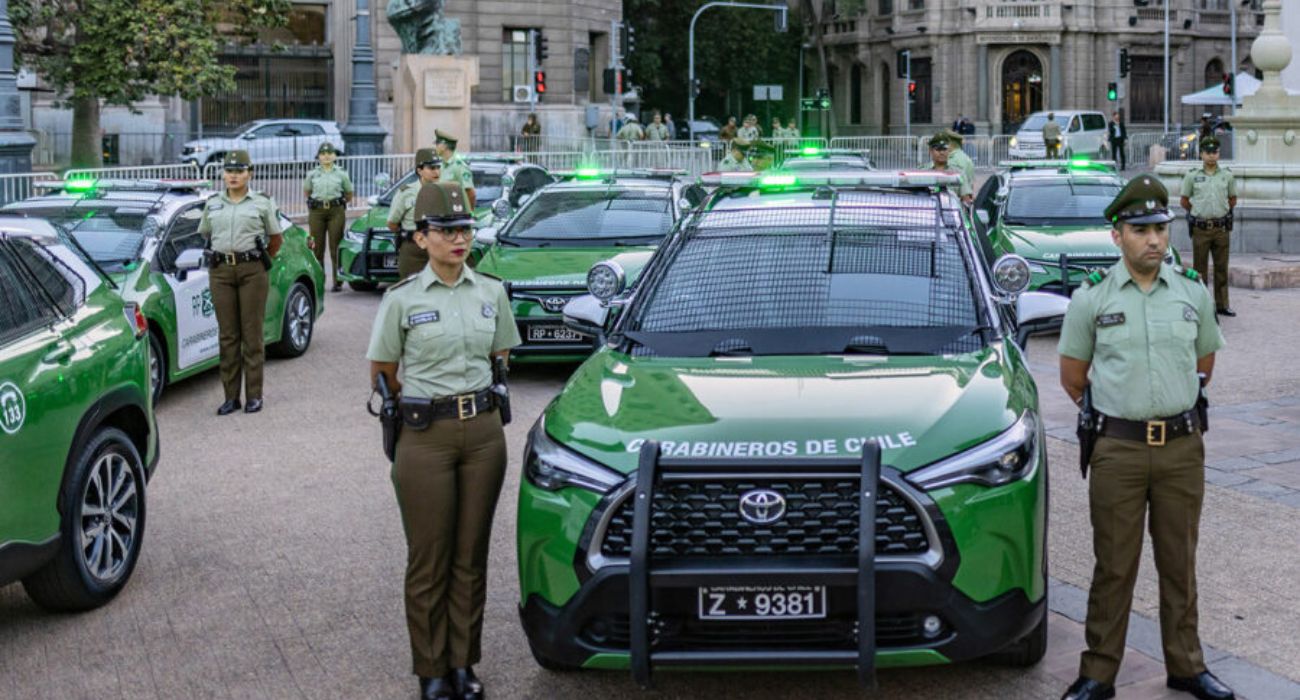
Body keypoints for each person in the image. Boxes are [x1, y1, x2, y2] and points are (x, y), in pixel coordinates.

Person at [1057, 174, 1233, 700]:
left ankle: (1186, 664)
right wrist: (1123, 413)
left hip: (1182, 448)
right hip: (1119, 450)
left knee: (1179, 561)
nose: (1154, 239)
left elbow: (1203, 363)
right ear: (1118, 235)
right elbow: (1073, 377)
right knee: (1114, 564)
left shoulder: (1192, 292)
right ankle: (1098, 673)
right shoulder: (1092, 298)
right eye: (1141, 229)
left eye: (1160, 227)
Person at [367, 181, 522, 700]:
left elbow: (501, 358)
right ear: (421, 236)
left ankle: (462, 662)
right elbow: (384, 371)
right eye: (446, 230)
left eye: (465, 229)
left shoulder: (491, 292)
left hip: (482, 434)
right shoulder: (402, 300)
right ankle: (431, 669)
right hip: (425, 435)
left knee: (470, 553)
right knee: (429, 556)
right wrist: (416, 407)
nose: (459, 239)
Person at [199, 150, 282, 416]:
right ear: (223, 174)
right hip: (221, 272)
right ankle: (231, 397)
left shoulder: (261, 203)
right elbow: (206, 234)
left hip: (252, 271)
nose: (233, 176)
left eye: (239, 171)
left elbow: (275, 239)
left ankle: (254, 396)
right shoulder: (212, 203)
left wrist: (258, 259)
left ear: (250, 174)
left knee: (252, 335)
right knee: (227, 336)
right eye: (229, 171)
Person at [1180, 136, 1238, 317]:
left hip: (1221, 229)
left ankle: (1222, 305)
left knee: (1222, 268)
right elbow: (1184, 200)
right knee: (1200, 270)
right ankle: (1202, 305)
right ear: (1201, 154)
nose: (1212, 156)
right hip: (1201, 229)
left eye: (1215, 152)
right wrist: (1198, 211)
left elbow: (1232, 199)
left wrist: (1220, 211)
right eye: (1208, 152)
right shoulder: (1192, 175)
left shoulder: (1227, 175)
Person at [303, 142, 354, 292]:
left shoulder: (341, 173)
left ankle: (337, 281)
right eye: (323, 154)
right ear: (318, 156)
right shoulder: (312, 174)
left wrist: (339, 202)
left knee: (335, 246)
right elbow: (307, 191)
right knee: (316, 247)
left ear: (334, 156)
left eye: (329, 153)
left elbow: (349, 193)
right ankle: (319, 280)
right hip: (317, 212)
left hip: (336, 211)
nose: (326, 156)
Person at [388, 148, 442, 279]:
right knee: (410, 291)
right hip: (414, 250)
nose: (436, 171)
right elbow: (392, 223)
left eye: (438, 167)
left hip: (439, 248)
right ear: (419, 170)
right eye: (431, 168)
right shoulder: (406, 193)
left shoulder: (444, 191)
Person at [924, 133, 972, 205]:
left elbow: (966, 200)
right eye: (938, 149)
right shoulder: (923, 172)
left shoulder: (958, 173)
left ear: (949, 150)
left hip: (951, 212)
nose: (942, 152)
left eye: (944, 149)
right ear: (930, 151)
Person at [435, 129, 476, 209]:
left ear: (444, 146)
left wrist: (469, 214)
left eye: (437, 144)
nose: (435, 147)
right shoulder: (442, 165)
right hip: (445, 212)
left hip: (457, 214)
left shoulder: (459, 166)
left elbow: (470, 193)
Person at [943, 128, 976, 196]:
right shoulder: (966, 158)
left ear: (950, 144)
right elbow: (971, 184)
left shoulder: (951, 160)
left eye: (945, 143)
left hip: (953, 198)